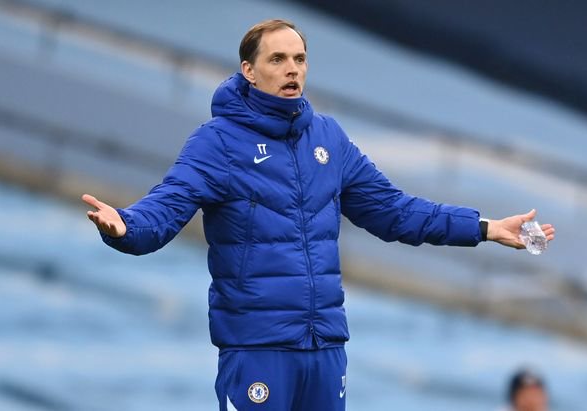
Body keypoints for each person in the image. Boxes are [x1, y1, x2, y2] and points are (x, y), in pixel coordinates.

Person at [82, 19, 556, 411]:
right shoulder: (218, 142)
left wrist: (484, 227)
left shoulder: (328, 137)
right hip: (258, 348)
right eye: (277, 59)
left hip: (325, 347)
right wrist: (125, 226)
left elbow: (394, 211)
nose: (292, 69)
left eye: (300, 58)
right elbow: (167, 205)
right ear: (249, 71)